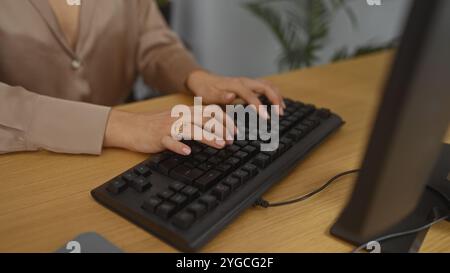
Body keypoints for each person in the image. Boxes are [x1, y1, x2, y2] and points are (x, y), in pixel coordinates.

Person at [0, 0, 285, 156]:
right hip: (28, 159)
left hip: (118, 157)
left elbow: (152, 41)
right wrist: (119, 125)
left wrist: (196, 78)